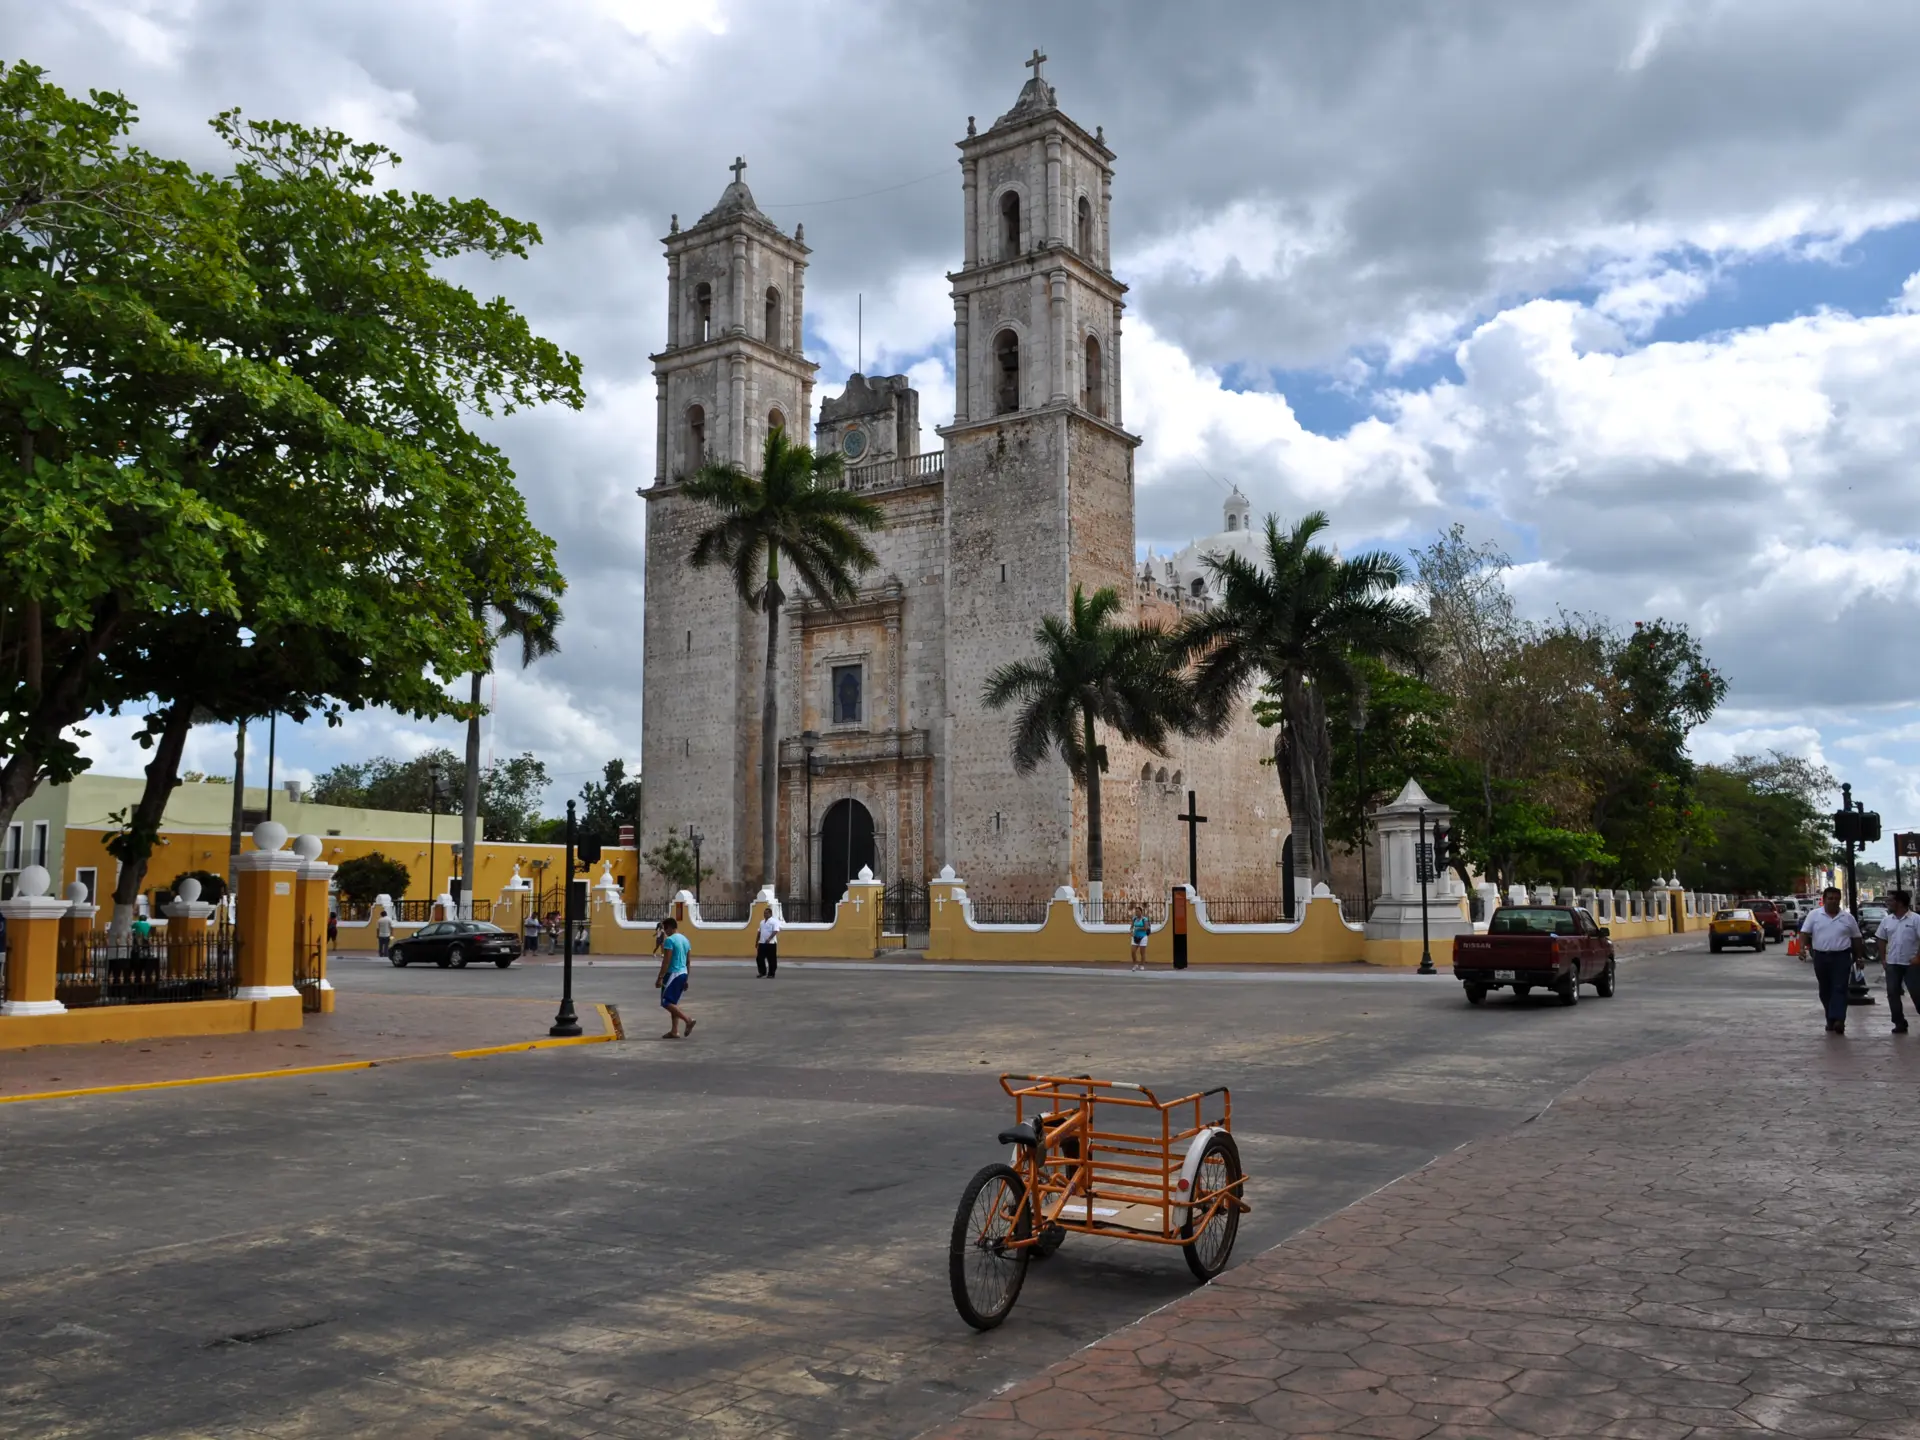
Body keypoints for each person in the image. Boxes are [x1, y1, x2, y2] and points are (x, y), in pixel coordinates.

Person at [1800, 887, 1865, 1033]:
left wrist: (1859, 957)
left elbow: (1856, 938)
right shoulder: (1814, 915)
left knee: (1840, 987)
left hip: (1841, 957)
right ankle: (1830, 1018)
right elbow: (1804, 932)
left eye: (1836, 899)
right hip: (1821, 956)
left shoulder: (1848, 918)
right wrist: (1802, 949)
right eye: (1830, 898)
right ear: (1824, 899)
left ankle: (1839, 1020)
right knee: (1825, 990)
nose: (1833, 901)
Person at [1876, 888, 1920, 1034]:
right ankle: (1899, 1022)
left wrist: (1918, 957)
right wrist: (1883, 958)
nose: (1888, 903)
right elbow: (1881, 938)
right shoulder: (1887, 920)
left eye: (1890, 900)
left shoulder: (1915, 919)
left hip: (1911, 963)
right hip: (1893, 962)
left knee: (1916, 992)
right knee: (1892, 992)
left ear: (1900, 902)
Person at [655, 916, 695, 1039]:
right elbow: (688, 961)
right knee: (673, 1003)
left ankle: (687, 1020)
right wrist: (687, 978)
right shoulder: (685, 940)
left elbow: (666, 961)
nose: (665, 931)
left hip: (673, 973)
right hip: (683, 973)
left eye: (666, 928)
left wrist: (660, 977)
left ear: (671, 927)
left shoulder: (670, 941)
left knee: (666, 1002)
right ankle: (674, 1031)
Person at [756, 906, 783, 978]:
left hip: (771, 943)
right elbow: (759, 932)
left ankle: (771, 973)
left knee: (771, 959)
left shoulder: (774, 921)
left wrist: (769, 938)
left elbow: (776, 930)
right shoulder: (762, 922)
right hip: (762, 943)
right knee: (759, 958)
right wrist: (756, 941)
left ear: (770, 914)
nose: (765, 915)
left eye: (766, 913)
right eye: (764, 913)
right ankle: (762, 972)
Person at [1129, 904, 1150, 971]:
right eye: (1136, 911)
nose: (1137, 913)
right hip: (1135, 936)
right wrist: (1131, 931)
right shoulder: (1134, 918)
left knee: (1142, 952)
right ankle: (1135, 964)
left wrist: (1138, 928)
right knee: (1133, 951)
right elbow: (1132, 926)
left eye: (1138, 911)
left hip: (1143, 937)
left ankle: (1142, 965)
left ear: (1141, 912)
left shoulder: (1144, 919)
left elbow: (1146, 928)